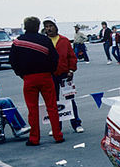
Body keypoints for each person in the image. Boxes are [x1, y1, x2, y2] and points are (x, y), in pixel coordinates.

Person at [8, 16, 63, 146]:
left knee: (32, 109)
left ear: (25, 27)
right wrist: (50, 71)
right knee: (52, 107)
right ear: (39, 27)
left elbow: (13, 61)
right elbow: (55, 58)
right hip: (45, 77)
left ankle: (34, 138)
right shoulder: (45, 40)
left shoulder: (17, 42)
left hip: (28, 79)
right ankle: (57, 135)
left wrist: (21, 74)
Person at [43, 17, 83, 134]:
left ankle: (76, 124)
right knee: (53, 102)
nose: (48, 29)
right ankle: (56, 126)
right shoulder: (44, 41)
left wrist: (71, 70)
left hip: (65, 75)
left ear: (55, 27)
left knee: (70, 100)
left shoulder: (64, 40)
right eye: (46, 26)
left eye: (50, 26)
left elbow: (72, 57)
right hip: (50, 75)